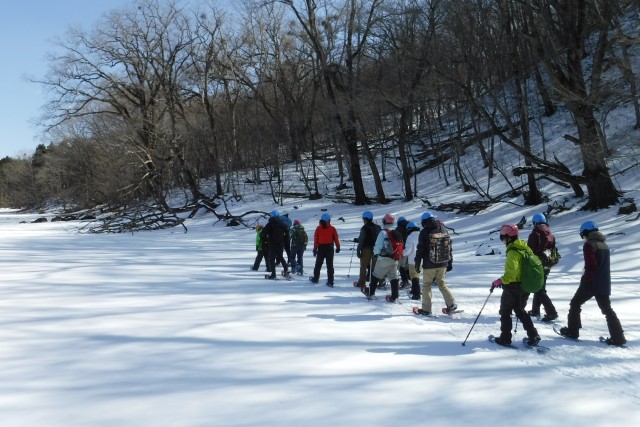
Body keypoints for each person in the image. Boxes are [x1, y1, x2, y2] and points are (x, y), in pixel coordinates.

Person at [558, 221, 626, 346]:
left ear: (586, 232)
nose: (584, 238)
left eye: (584, 235)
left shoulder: (590, 245)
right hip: (604, 283)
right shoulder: (604, 245)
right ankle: (618, 337)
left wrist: (586, 281)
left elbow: (591, 265)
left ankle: (573, 332)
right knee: (607, 310)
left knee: (575, 303)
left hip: (591, 283)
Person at [490, 224, 541, 347]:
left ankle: (505, 338)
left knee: (505, 311)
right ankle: (533, 334)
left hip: (513, 286)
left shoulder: (513, 252)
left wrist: (499, 281)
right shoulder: (524, 247)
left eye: (503, 238)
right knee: (520, 310)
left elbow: (511, 275)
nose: (502, 240)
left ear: (507, 237)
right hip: (524, 286)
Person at [414, 212, 457, 315]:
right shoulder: (443, 229)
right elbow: (449, 247)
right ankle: (451, 304)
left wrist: (417, 263)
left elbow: (420, 249)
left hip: (429, 265)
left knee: (426, 286)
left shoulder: (424, 232)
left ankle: (426, 310)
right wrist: (450, 262)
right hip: (443, 263)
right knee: (442, 284)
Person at [361, 213, 402, 302]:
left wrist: (375, 253)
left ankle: (371, 294)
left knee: (375, 275)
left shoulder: (383, 232)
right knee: (394, 278)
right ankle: (395, 297)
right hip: (395, 258)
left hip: (384, 258)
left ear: (384, 221)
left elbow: (378, 246)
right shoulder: (396, 232)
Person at [526, 213, 559, 322]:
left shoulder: (535, 233)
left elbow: (529, 250)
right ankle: (535, 310)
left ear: (535, 222)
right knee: (540, 287)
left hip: (537, 264)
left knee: (538, 288)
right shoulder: (550, 234)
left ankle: (551, 312)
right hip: (548, 263)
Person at [310, 213, 340, 286]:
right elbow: (336, 238)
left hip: (321, 248)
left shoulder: (318, 228)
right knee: (330, 265)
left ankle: (315, 278)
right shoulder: (332, 229)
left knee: (318, 264)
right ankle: (330, 281)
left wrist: (315, 248)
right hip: (329, 248)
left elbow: (316, 239)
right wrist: (338, 247)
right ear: (329, 220)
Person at [261, 209, 291, 279]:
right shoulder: (282, 224)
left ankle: (273, 275)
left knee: (271, 259)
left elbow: (262, 234)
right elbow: (287, 234)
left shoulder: (269, 224)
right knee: (280, 257)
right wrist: (285, 242)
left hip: (272, 244)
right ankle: (286, 270)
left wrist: (266, 237)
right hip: (281, 244)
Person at [354, 211, 380, 288]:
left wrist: (358, 250)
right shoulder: (377, 227)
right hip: (376, 249)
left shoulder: (364, 228)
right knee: (375, 267)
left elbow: (361, 240)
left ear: (365, 219)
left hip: (366, 249)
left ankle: (361, 283)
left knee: (363, 266)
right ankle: (377, 282)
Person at [402, 221, 422, 300]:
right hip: (422, 259)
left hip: (413, 260)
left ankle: (416, 294)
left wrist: (402, 253)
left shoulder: (410, 236)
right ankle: (414, 290)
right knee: (417, 276)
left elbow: (408, 250)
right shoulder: (421, 234)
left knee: (414, 276)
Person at [395, 216, 410, 288]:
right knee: (407, 266)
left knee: (401, 266)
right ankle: (409, 280)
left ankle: (405, 281)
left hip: (402, 250)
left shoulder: (398, 229)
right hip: (411, 249)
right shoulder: (409, 227)